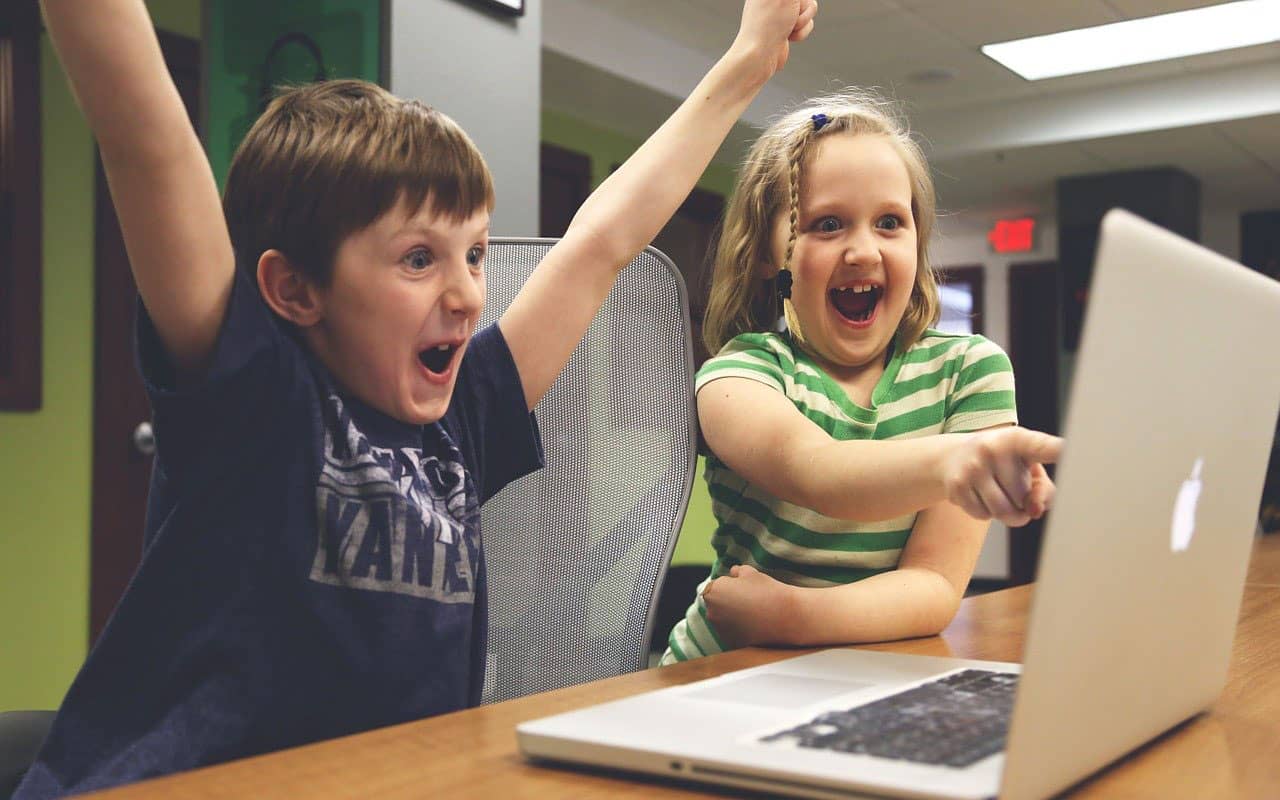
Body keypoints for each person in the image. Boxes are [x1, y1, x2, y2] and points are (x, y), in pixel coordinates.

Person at [19, 0, 818, 795]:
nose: (469, 295)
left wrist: (747, 58)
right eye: (417, 260)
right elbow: (146, 146)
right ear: (294, 288)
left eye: (471, 253)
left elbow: (602, 243)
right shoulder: (252, 390)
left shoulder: (463, 415)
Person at [662, 89, 1061, 664]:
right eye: (828, 224)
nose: (863, 250)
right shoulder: (738, 376)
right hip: (723, 671)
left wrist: (793, 617)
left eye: (890, 223)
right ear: (767, 253)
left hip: (862, 670)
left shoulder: (970, 371)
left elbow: (935, 586)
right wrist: (956, 461)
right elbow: (819, 474)